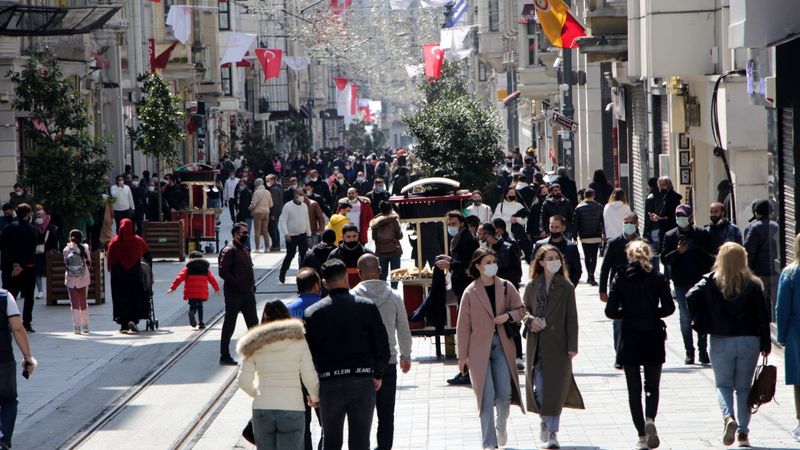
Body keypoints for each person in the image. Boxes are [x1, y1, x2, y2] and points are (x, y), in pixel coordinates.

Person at [687, 243, 772, 448]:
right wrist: (766, 342)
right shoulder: (753, 284)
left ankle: (728, 418)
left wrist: (702, 320)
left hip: (720, 339)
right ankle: (743, 434)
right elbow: (763, 316)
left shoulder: (711, 281)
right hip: (748, 340)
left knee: (723, 385)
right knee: (743, 388)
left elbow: (690, 296)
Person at [304, 258, 390, 450]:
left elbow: (308, 356)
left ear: (324, 283)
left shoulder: (312, 313)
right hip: (361, 381)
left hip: (329, 384)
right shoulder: (366, 307)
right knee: (360, 442)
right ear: (346, 278)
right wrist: (377, 374)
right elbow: (382, 345)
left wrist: (310, 389)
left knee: (331, 441)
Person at [605, 240, 674, 450]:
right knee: (652, 386)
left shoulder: (620, 276)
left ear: (629, 255)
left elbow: (610, 311)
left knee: (633, 389)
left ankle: (641, 436)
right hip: (652, 333)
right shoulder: (658, 277)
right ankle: (650, 418)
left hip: (630, 336)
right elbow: (669, 307)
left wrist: (625, 314)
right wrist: (653, 313)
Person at [455, 247, 526, 450]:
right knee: (486, 396)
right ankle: (489, 442)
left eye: (493, 261)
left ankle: (501, 425)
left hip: (502, 346)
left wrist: (507, 316)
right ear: (477, 265)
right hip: (478, 350)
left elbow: (521, 310)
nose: (491, 265)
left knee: (504, 395)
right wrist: (462, 356)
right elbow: (463, 326)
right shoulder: (470, 292)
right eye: (486, 262)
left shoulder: (505, 286)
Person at [523, 245, 584, 449]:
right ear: (541, 262)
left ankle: (552, 432)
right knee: (539, 389)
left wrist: (572, 345)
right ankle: (544, 417)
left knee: (556, 390)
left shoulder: (566, 287)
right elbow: (524, 310)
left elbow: (572, 318)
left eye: (556, 258)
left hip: (559, 344)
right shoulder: (532, 286)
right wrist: (531, 320)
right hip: (537, 344)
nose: (554, 262)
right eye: (549, 258)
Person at [237, 300, 320, 450]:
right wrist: (315, 398)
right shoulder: (299, 341)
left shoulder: (253, 342)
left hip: (262, 409)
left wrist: (258, 392)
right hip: (292, 408)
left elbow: (243, 381)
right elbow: (309, 377)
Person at [351, 255, 413, 450]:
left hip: (360, 365)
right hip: (389, 362)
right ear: (380, 269)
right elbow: (403, 328)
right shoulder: (394, 296)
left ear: (359, 273)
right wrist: (406, 355)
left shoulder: (352, 297)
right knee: (386, 413)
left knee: (360, 414)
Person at [661, 204, 715, 365]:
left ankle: (702, 351)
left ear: (691, 217)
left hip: (700, 282)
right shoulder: (670, 236)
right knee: (685, 318)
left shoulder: (701, 234)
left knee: (701, 316)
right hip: (681, 282)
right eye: (678, 216)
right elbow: (664, 259)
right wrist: (678, 252)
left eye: (683, 216)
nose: (680, 219)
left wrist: (697, 251)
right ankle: (689, 352)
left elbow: (711, 256)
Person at [218, 222, 259, 365]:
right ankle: (224, 355)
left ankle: (257, 355)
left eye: (247, 233)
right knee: (230, 324)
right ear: (235, 235)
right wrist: (236, 282)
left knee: (254, 325)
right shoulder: (229, 250)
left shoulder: (244, 249)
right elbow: (223, 272)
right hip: (234, 294)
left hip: (247, 293)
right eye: (244, 233)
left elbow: (249, 269)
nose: (246, 236)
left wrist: (252, 285)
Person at [0, 288, 36, 450]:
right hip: (3, 359)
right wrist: (27, 356)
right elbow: (18, 328)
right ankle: (3, 440)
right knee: (8, 400)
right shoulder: (5, 297)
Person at [106, 218, 151, 334]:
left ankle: (123, 324)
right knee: (134, 297)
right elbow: (148, 255)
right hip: (134, 275)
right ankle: (133, 320)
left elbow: (109, 257)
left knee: (120, 299)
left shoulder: (114, 242)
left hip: (118, 277)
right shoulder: (138, 241)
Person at [0, 204, 39, 333]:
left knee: (10, 296)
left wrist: (14, 264)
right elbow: (31, 250)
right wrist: (21, 265)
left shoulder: (7, 229)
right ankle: (26, 323)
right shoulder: (32, 229)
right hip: (27, 268)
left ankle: (6, 322)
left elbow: (3, 249)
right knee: (28, 296)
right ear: (28, 215)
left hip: (10, 269)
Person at [777, 233, 800, 442]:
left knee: (799, 379)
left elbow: (782, 308)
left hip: (796, 332)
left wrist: (781, 335)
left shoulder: (790, 273)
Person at [167, 251, 220, 330]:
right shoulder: (205, 269)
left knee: (193, 305)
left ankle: (192, 311)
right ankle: (201, 322)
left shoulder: (187, 269)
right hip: (202, 291)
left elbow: (179, 278)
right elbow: (212, 279)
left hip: (191, 292)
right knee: (200, 306)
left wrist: (172, 288)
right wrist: (216, 289)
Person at [744, 198, 780, 307]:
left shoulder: (754, 228)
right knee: (775, 304)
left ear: (756, 213)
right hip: (775, 272)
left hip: (759, 274)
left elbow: (749, 252)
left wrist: (747, 272)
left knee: (761, 305)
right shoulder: (777, 226)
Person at [534, 216, 582, 286]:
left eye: (557, 227)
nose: (554, 230)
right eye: (551, 227)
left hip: (564, 287)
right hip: (543, 286)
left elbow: (576, 270)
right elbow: (534, 266)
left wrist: (570, 286)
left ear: (563, 228)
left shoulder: (571, 247)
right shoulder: (540, 245)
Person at [278, 187, 312, 284]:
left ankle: (303, 276)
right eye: (300, 194)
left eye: (303, 194)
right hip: (291, 236)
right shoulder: (287, 206)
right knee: (290, 255)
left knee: (304, 255)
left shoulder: (305, 206)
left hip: (302, 235)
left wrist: (309, 236)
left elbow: (307, 221)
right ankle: (283, 272)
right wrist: (286, 233)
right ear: (295, 195)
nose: (302, 196)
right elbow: (283, 221)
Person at [572, 188, 604, 286]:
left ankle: (589, 276)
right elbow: (602, 222)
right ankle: (592, 275)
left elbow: (575, 223)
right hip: (596, 235)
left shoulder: (579, 207)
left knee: (587, 256)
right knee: (594, 256)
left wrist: (574, 235)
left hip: (584, 235)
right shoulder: (599, 207)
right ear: (593, 195)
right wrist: (603, 234)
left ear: (584, 195)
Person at [63, 230, 92, 335]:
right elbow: (89, 263)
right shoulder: (85, 248)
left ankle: (76, 327)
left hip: (71, 279)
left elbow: (66, 263)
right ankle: (85, 325)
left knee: (74, 304)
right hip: (83, 278)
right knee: (83, 303)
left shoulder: (66, 249)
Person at [370, 202, 403, 288]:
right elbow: (399, 235)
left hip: (381, 250)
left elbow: (374, 237)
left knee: (382, 273)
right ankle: (394, 289)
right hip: (395, 249)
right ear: (390, 209)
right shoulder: (393, 220)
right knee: (395, 272)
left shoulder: (375, 221)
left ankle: (383, 290)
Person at [492, 187, 530, 261]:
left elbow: (525, 220)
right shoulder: (500, 205)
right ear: (506, 195)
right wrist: (509, 219)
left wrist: (517, 219)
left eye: (514, 193)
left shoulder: (519, 206)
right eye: (511, 193)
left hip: (516, 234)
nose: (513, 195)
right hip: (504, 233)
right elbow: (495, 218)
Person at [32, 205, 60, 299]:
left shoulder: (51, 227)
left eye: (40, 213)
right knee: (37, 272)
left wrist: (54, 250)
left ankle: (51, 290)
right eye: (37, 215)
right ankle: (40, 291)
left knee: (49, 272)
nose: (39, 218)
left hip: (48, 253)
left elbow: (55, 240)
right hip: (38, 253)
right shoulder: (33, 227)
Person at [250, 178, 274, 253]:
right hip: (266, 213)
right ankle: (267, 248)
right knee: (265, 231)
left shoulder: (256, 193)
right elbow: (271, 204)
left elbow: (254, 204)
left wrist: (250, 207)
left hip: (258, 213)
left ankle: (257, 248)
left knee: (257, 231)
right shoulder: (268, 192)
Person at [266, 174, 284, 252]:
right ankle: (275, 244)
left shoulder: (274, 189)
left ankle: (275, 245)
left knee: (273, 228)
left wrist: (272, 213)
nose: (267, 182)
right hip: (276, 211)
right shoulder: (276, 188)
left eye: (268, 180)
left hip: (274, 212)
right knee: (274, 228)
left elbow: (274, 202)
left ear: (273, 180)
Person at [236, 179, 254, 251]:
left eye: (242, 185)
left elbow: (250, 203)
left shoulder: (248, 192)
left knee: (246, 232)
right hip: (242, 216)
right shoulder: (240, 193)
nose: (240, 186)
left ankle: (248, 248)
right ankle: (244, 247)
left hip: (247, 216)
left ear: (245, 184)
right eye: (240, 185)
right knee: (242, 233)